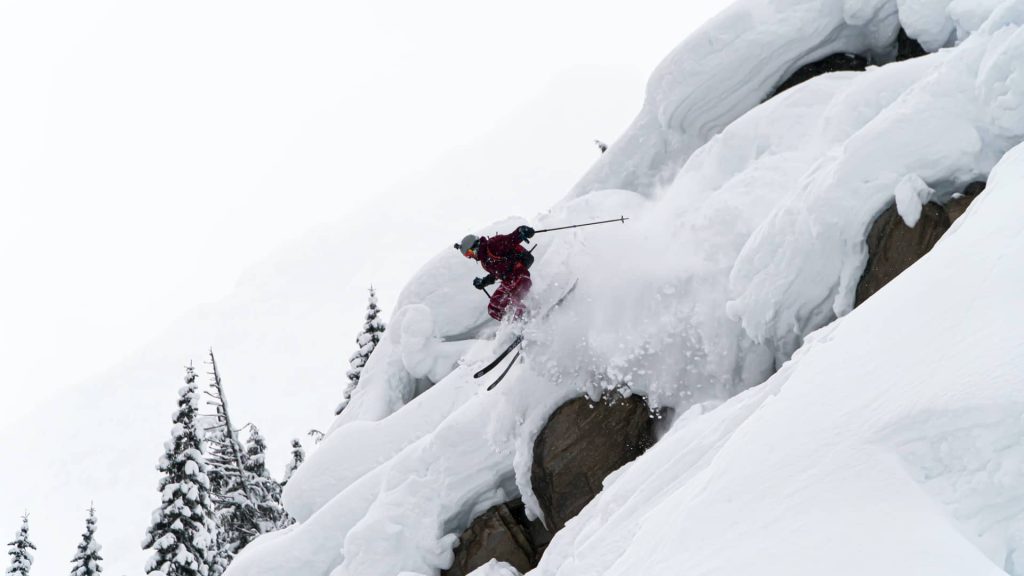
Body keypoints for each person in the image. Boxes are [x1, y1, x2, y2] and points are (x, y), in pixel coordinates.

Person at [456, 225, 536, 321]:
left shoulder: (493, 245)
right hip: (509, 282)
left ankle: (526, 317)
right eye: (467, 256)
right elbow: (497, 273)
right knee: (493, 308)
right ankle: (511, 324)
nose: (471, 257)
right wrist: (484, 282)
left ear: (475, 246)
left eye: (470, 253)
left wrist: (521, 231)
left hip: (519, 275)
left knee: (501, 300)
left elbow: (511, 239)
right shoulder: (485, 262)